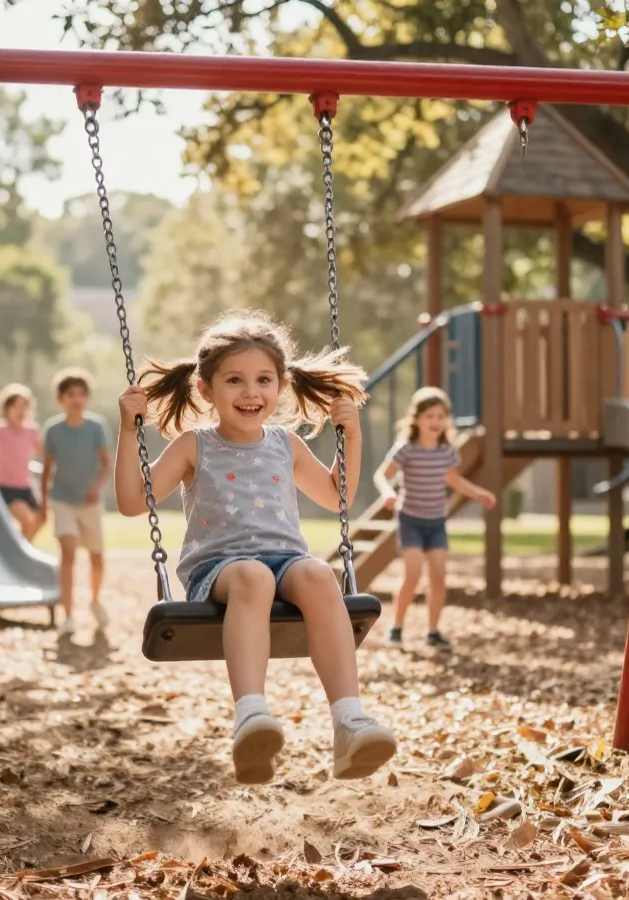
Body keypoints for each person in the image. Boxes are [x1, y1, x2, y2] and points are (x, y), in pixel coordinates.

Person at [115, 309, 397, 786]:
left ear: (281, 386)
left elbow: (337, 497)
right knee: (253, 576)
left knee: (317, 574)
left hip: (285, 562)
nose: (251, 392)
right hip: (220, 571)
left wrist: (351, 434)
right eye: (235, 381)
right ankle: (251, 718)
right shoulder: (193, 445)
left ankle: (349, 723)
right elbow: (130, 502)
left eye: (264, 380)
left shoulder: (285, 444)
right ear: (206, 389)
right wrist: (128, 430)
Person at [373, 386, 496, 653]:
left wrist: (479, 493)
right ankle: (396, 627)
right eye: (430, 416)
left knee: (439, 577)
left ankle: (433, 631)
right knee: (413, 575)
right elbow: (382, 474)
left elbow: (453, 480)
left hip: (436, 522)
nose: (436, 422)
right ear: (416, 419)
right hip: (411, 520)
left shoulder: (446, 451)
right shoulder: (406, 448)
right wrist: (386, 492)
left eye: (441, 416)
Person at [41, 367, 112, 637]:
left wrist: (95, 488)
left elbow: (106, 465)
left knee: (97, 558)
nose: (77, 399)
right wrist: (42, 502)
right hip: (62, 500)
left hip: (90, 502)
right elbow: (46, 470)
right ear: (61, 398)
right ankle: (68, 615)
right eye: (71, 394)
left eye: (82, 394)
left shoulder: (96, 427)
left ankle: (95, 600)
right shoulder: (53, 430)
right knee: (68, 555)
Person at [0, 383, 44, 541]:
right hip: (5, 487)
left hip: (25, 486)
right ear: (7, 409)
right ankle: (21, 552)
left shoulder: (32, 430)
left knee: (41, 518)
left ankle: (21, 548)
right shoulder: (0, 430)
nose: (21, 411)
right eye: (17, 406)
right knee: (26, 520)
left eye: (25, 406)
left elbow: (43, 452)